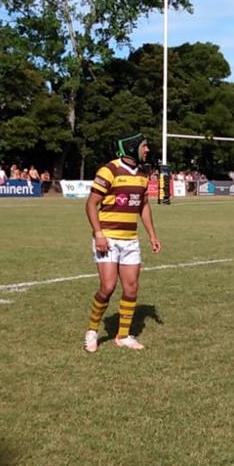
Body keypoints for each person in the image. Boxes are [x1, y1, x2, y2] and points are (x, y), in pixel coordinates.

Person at [83, 131, 162, 352]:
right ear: (132, 148)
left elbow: (143, 206)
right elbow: (91, 204)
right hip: (107, 239)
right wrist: (98, 234)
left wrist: (152, 235)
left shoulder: (143, 173)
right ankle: (91, 330)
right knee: (107, 287)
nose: (147, 150)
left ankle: (123, 335)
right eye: (144, 146)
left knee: (131, 289)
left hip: (130, 241)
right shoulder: (109, 170)